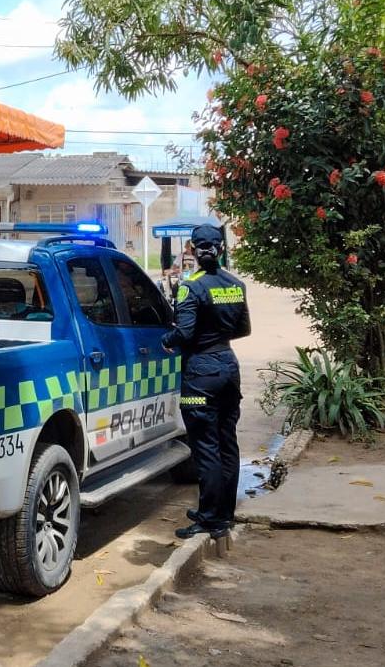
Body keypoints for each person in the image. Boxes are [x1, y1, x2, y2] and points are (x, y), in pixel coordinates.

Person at [162, 224, 251, 542]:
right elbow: (243, 329)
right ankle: (223, 513)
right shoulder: (235, 284)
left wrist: (167, 340)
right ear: (222, 249)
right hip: (228, 367)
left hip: (201, 373)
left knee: (206, 448)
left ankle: (211, 520)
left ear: (191, 250)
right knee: (227, 442)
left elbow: (183, 333)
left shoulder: (191, 286)